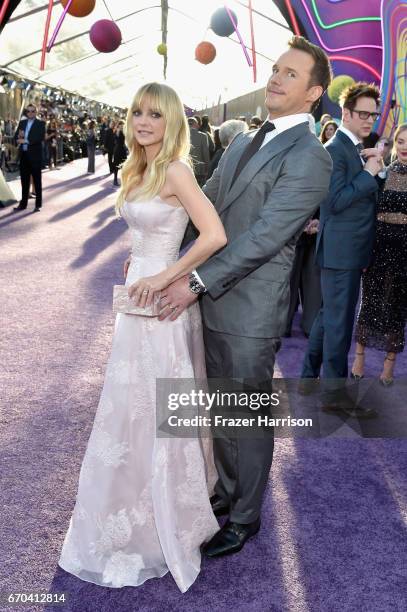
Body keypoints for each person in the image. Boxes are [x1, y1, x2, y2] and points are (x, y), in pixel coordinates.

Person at [159, 35, 333, 557]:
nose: (276, 78)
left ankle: (245, 517)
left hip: (249, 308)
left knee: (246, 415)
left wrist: (193, 281)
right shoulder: (242, 141)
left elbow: (264, 238)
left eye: (291, 74)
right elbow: (205, 208)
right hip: (212, 297)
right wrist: (166, 261)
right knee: (221, 410)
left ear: (313, 94)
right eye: (276, 69)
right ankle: (226, 493)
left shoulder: (311, 156)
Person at [58, 82, 227, 592]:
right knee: (127, 406)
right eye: (137, 112)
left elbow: (215, 234)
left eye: (155, 114)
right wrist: (140, 262)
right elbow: (145, 230)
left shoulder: (176, 169)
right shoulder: (138, 168)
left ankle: (166, 514)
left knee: (157, 407)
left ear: (171, 120)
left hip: (162, 304)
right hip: (136, 299)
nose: (143, 121)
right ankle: (124, 500)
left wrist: (165, 274)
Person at [300, 82, 383, 416]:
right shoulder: (336, 149)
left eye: (373, 115)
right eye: (362, 114)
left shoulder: (350, 148)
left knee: (327, 318)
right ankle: (334, 396)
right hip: (341, 251)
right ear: (345, 113)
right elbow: (333, 203)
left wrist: (368, 168)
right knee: (339, 323)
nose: (369, 120)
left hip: (344, 250)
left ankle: (308, 377)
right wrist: (368, 174)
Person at [352, 123, 407, 385]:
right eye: (402, 141)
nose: (405, 146)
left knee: (396, 305)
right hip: (378, 243)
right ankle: (359, 358)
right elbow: (367, 212)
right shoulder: (383, 174)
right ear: (395, 143)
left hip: (404, 248)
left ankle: (389, 365)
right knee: (370, 301)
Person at [13, 103, 45, 212]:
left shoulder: (40, 123)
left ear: (36, 112)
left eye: (33, 111)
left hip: (35, 156)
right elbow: (15, 136)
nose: (30, 113)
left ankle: (38, 205)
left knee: (37, 180)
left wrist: (25, 140)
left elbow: (39, 138)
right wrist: (17, 139)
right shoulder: (22, 123)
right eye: (28, 111)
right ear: (26, 112)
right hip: (24, 155)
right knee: (24, 181)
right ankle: (23, 204)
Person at [188, 116, 210, 186]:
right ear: (196, 125)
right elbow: (205, 153)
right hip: (199, 170)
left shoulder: (180, 136)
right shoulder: (203, 136)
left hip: (185, 169)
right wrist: (207, 168)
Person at [112, 120, 127, 186]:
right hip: (119, 150)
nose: (123, 126)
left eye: (123, 125)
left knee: (123, 165)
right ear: (120, 125)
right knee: (117, 165)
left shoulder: (122, 131)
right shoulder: (119, 131)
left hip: (120, 149)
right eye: (122, 125)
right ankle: (115, 180)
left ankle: (122, 180)